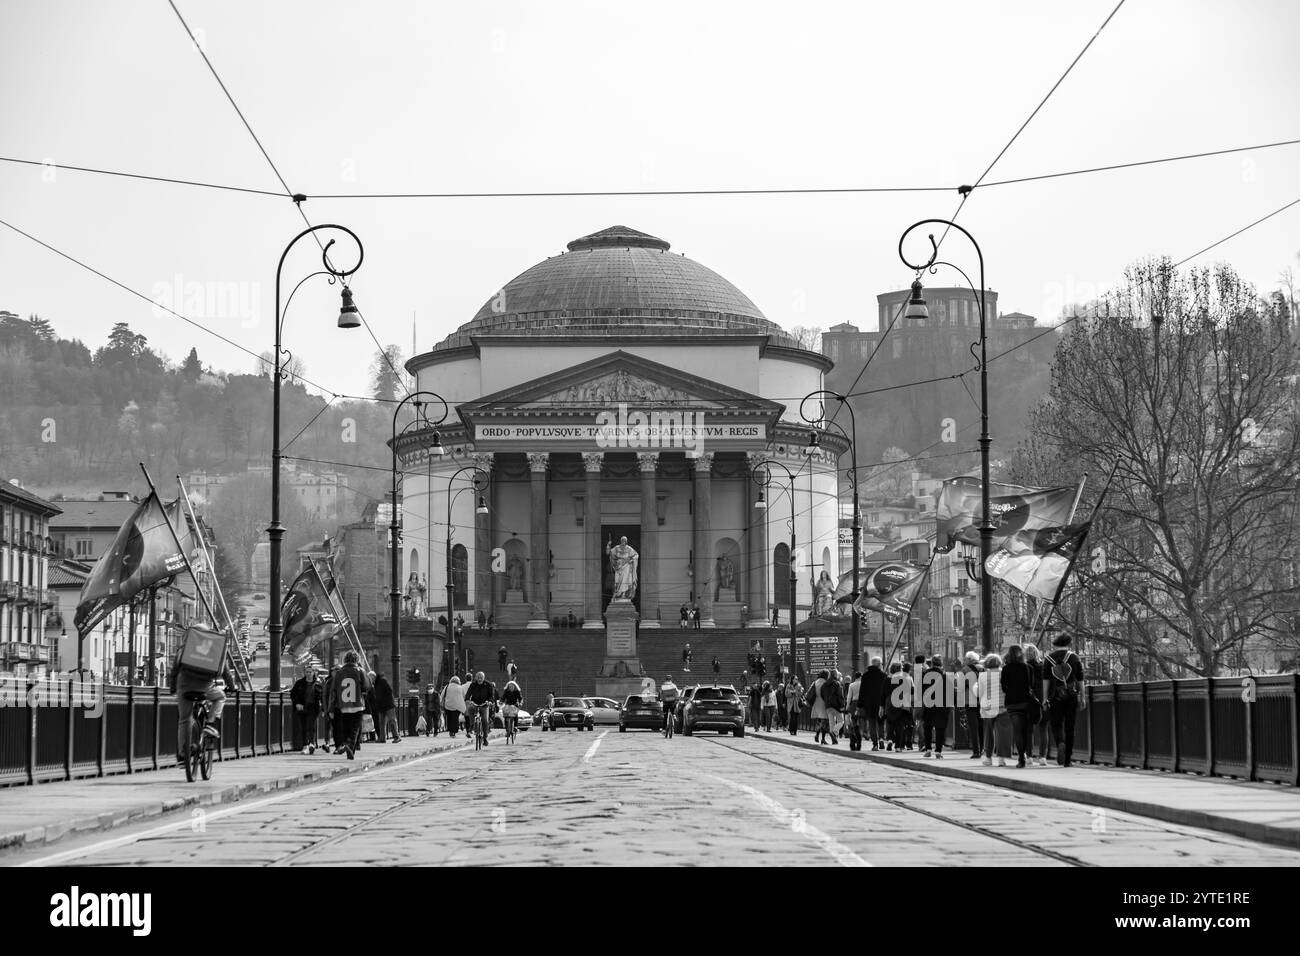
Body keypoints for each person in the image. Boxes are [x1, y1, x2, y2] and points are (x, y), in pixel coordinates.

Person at [170, 657, 231, 761]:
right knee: (221, 697)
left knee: (184, 719)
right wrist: (232, 686)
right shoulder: (218, 645)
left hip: (184, 684)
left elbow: (175, 668)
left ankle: (182, 754)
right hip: (205, 686)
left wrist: (173, 687)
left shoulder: (187, 645)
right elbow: (225, 671)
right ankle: (210, 724)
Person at [1043, 634, 1086, 767]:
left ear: (1055, 644)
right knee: (1070, 727)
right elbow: (1080, 680)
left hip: (1055, 696)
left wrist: (1045, 698)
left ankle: (1060, 742)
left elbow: (1046, 681)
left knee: (1056, 724)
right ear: (1069, 644)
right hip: (1071, 696)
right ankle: (1067, 759)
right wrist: (1082, 697)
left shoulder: (1048, 659)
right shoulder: (1074, 657)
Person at [329, 651, 369, 759]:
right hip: (357, 704)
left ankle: (348, 748)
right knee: (355, 729)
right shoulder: (360, 671)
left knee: (346, 728)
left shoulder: (339, 672)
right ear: (357, 660)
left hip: (343, 706)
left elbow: (333, 692)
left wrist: (331, 709)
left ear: (345, 660)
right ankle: (349, 746)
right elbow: (366, 687)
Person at [1001, 644, 1035, 768]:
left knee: (1017, 731)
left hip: (1012, 703)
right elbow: (1031, 685)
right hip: (1026, 702)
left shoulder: (1006, 669)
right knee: (1026, 730)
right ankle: (1028, 753)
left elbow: (1003, 687)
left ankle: (1021, 758)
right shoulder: (1028, 667)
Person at [978, 653, 1010, 766]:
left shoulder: (983, 676)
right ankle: (1001, 759)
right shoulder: (1004, 673)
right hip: (1003, 706)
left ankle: (988, 758)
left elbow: (980, 692)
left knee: (988, 734)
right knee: (1002, 734)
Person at [1024, 644, 1050, 766]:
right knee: (1043, 728)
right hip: (1043, 699)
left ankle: (1029, 756)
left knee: (1029, 729)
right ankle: (1042, 757)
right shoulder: (1044, 666)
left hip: (1029, 700)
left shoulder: (1024, 667)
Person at [920, 656, 949, 759]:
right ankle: (938, 751)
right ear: (941, 664)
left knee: (928, 726)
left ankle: (928, 748)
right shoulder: (945, 675)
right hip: (942, 704)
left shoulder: (925, 675)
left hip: (928, 703)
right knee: (940, 727)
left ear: (931, 663)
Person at [290, 666, 323, 754]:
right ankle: (305, 745)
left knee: (311, 725)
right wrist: (297, 703)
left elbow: (322, 696)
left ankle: (311, 744)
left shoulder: (318, 683)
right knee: (304, 726)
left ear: (313, 673)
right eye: (307, 672)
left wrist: (324, 708)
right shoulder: (299, 683)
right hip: (302, 707)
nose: (308, 674)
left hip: (313, 707)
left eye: (310, 672)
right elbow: (292, 694)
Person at [859, 657, 887, 750]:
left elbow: (862, 691)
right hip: (881, 703)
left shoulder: (865, 675)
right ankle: (882, 739)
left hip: (869, 704)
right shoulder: (883, 675)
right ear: (879, 664)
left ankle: (875, 744)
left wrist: (860, 705)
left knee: (872, 724)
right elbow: (885, 691)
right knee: (881, 723)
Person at [960, 651, 985, 759]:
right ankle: (983, 748)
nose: (964, 661)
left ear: (969, 660)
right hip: (982, 700)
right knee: (982, 726)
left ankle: (976, 751)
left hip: (970, 701)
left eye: (966, 659)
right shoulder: (983, 668)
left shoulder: (965, 670)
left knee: (973, 727)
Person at [464, 671, 498, 744]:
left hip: (484, 704)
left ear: (484, 678)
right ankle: (472, 726)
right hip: (475, 703)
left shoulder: (488, 685)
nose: (479, 679)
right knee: (470, 709)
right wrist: (467, 700)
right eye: (478, 678)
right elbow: (468, 694)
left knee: (485, 720)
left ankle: (485, 738)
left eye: (481, 678)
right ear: (476, 678)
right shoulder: (473, 684)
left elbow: (491, 696)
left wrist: (489, 701)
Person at [372, 671, 400, 743]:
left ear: (374, 677)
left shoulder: (382, 681)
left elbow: (389, 691)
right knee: (381, 722)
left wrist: (383, 699)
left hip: (388, 704)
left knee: (392, 720)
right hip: (381, 705)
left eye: (371, 678)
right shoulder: (376, 684)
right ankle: (382, 738)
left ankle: (396, 737)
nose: (370, 680)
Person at [845, 671, 862, 749]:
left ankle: (853, 741)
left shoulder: (852, 685)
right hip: (862, 704)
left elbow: (849, 697)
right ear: (860, 676)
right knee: (861, 723)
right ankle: (859, 741)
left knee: (853, 723)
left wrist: (847, 706)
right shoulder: (863, 684)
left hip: (854, 704)